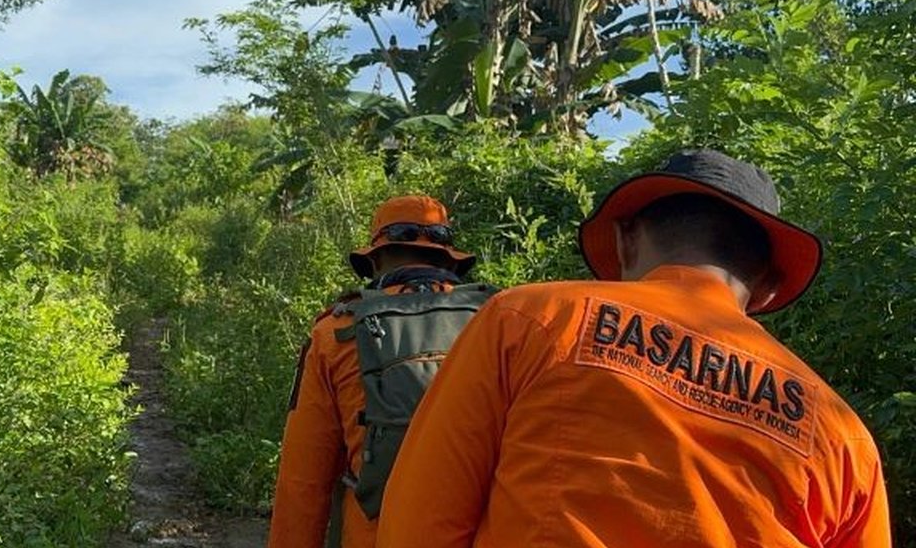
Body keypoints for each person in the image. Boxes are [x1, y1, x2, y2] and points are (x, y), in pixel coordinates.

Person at [377, 149, 891, 548]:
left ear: (625, 240)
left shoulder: (528, 319)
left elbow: (419, 524)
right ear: (769, 289)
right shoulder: (841, 436)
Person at [267, 195, 490, 548]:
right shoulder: (498, 323)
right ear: (449, 259)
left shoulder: (336, 332)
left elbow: (303, 481)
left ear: (375, 260)